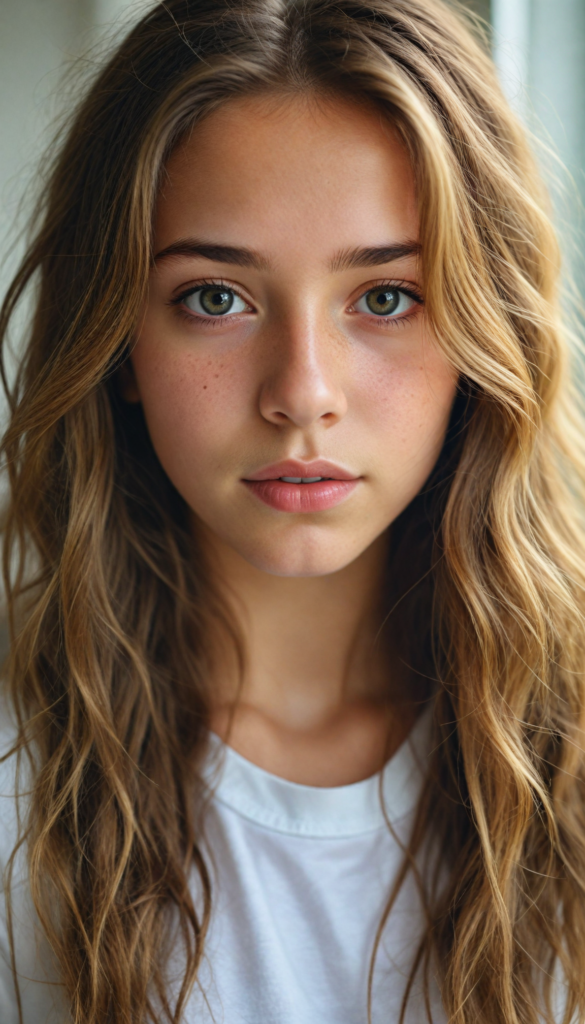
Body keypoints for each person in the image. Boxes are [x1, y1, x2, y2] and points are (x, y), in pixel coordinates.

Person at [1, 0, 585, 1021]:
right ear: (117, 341)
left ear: (482, 333)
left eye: (387, 296)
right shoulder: (17, 771)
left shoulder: (566, 756)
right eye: (216, 297)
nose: (302, 391)